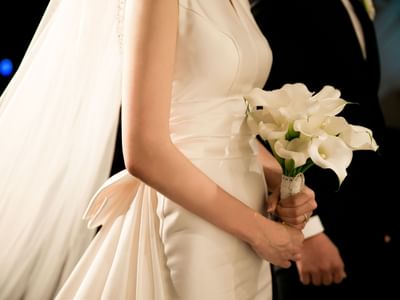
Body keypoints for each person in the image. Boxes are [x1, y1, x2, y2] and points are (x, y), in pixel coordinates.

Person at [0, 0, 318, 299]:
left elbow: (230, 120)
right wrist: (259, 232)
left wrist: (281, 181)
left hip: (249, 204)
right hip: (195, 213)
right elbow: (144, 150)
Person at [251, 0, 397, 299]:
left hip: (363, 218)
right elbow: (265, 122)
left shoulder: (354, 4)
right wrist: (308, 234)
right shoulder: (277, 7)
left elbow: (367, 112)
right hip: (315, 225)